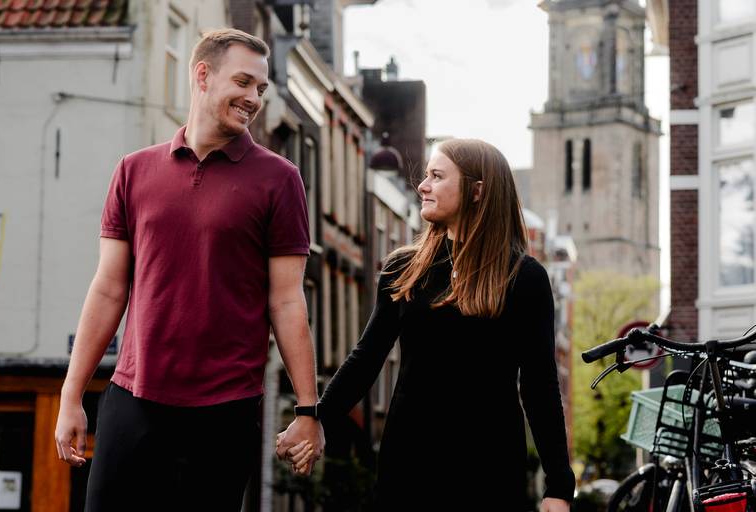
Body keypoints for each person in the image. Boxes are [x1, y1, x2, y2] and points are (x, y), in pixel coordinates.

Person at [53, 29, 324, 511]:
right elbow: (109, 289)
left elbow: (286, 299)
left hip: (223, 412)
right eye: (243, 82)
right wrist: (71, 394)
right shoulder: (133, 170)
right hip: (132, 398)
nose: (253, 98)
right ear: (202, 74)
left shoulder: (280, 180)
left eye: (260, 88)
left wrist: (307, 408)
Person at [280, 139, 575, 510]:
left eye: (437, 176)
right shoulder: (403, 269)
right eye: (426, 176)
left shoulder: (524, 278)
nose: (423, 185)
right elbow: (366, 357)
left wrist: (559, 487)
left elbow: (541, 386)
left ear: (477, 191)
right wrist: (313, 417)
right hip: (408, 461)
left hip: (489, 469)